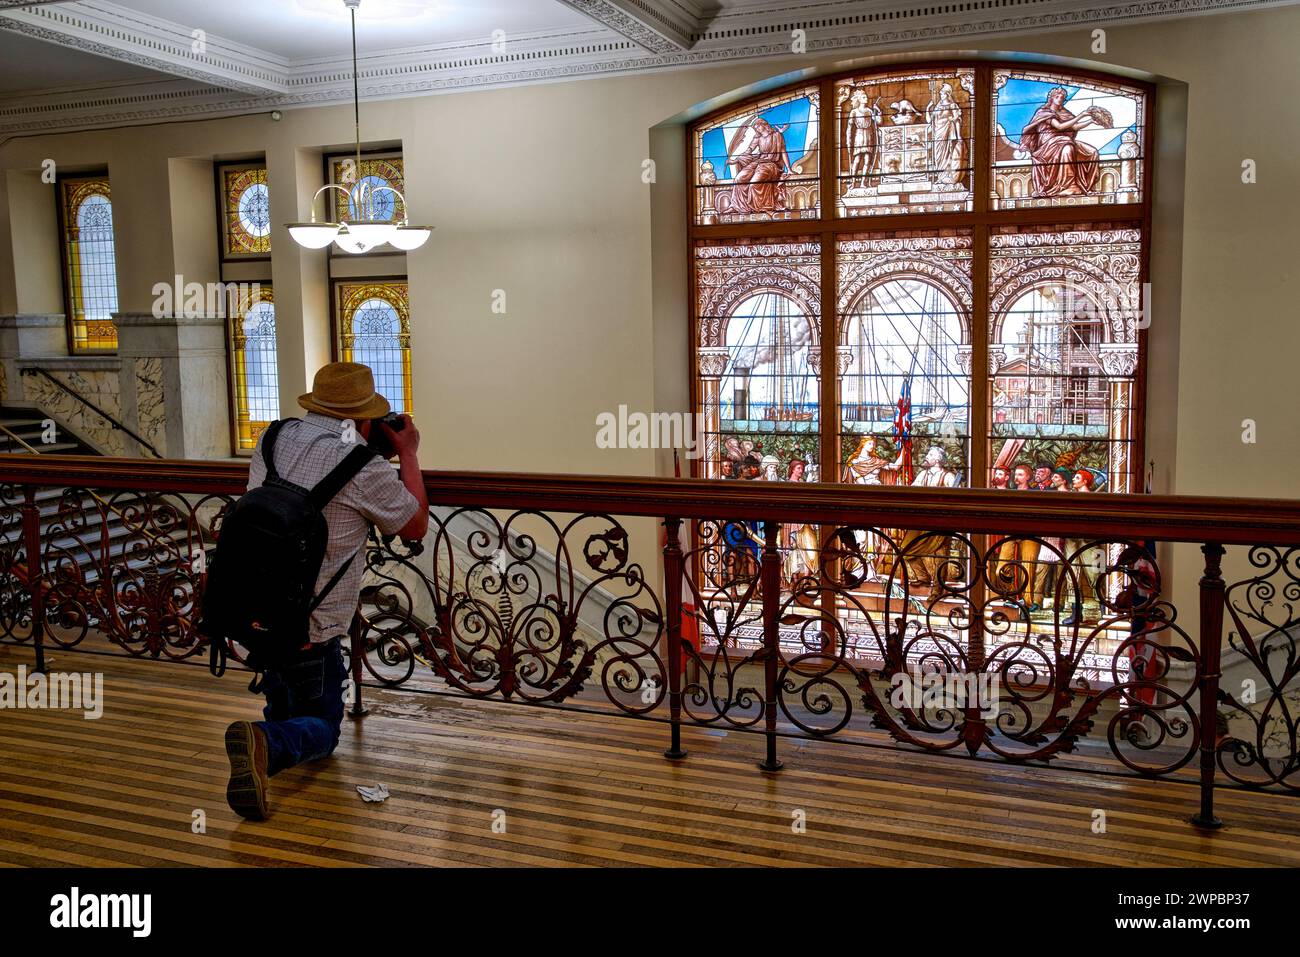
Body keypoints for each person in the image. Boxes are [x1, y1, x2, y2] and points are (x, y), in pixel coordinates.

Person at [224, 361, 429, 821]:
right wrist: (408, 453)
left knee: (286, 704)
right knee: (323, 730)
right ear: (364, 419)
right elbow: (414, 525)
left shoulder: (273, 438)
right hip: (313, 625)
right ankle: (264, 742)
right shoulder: (363, 466)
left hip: (255, 609)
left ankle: (266, 744)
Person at [1019, 86, 1102, 197]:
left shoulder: (1064, 113)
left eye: (1062, 97)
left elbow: (1075, 127)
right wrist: (1081, 115)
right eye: (1057, 96)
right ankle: (1069, 186)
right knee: (1068, 148)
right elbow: (1059, 126)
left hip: (1063, 141)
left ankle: (1087, 186)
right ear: (1051, 98)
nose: (1060, 99)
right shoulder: (1043, 112)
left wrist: (1090, 121)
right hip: (1048, 145)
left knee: (1092, 152)